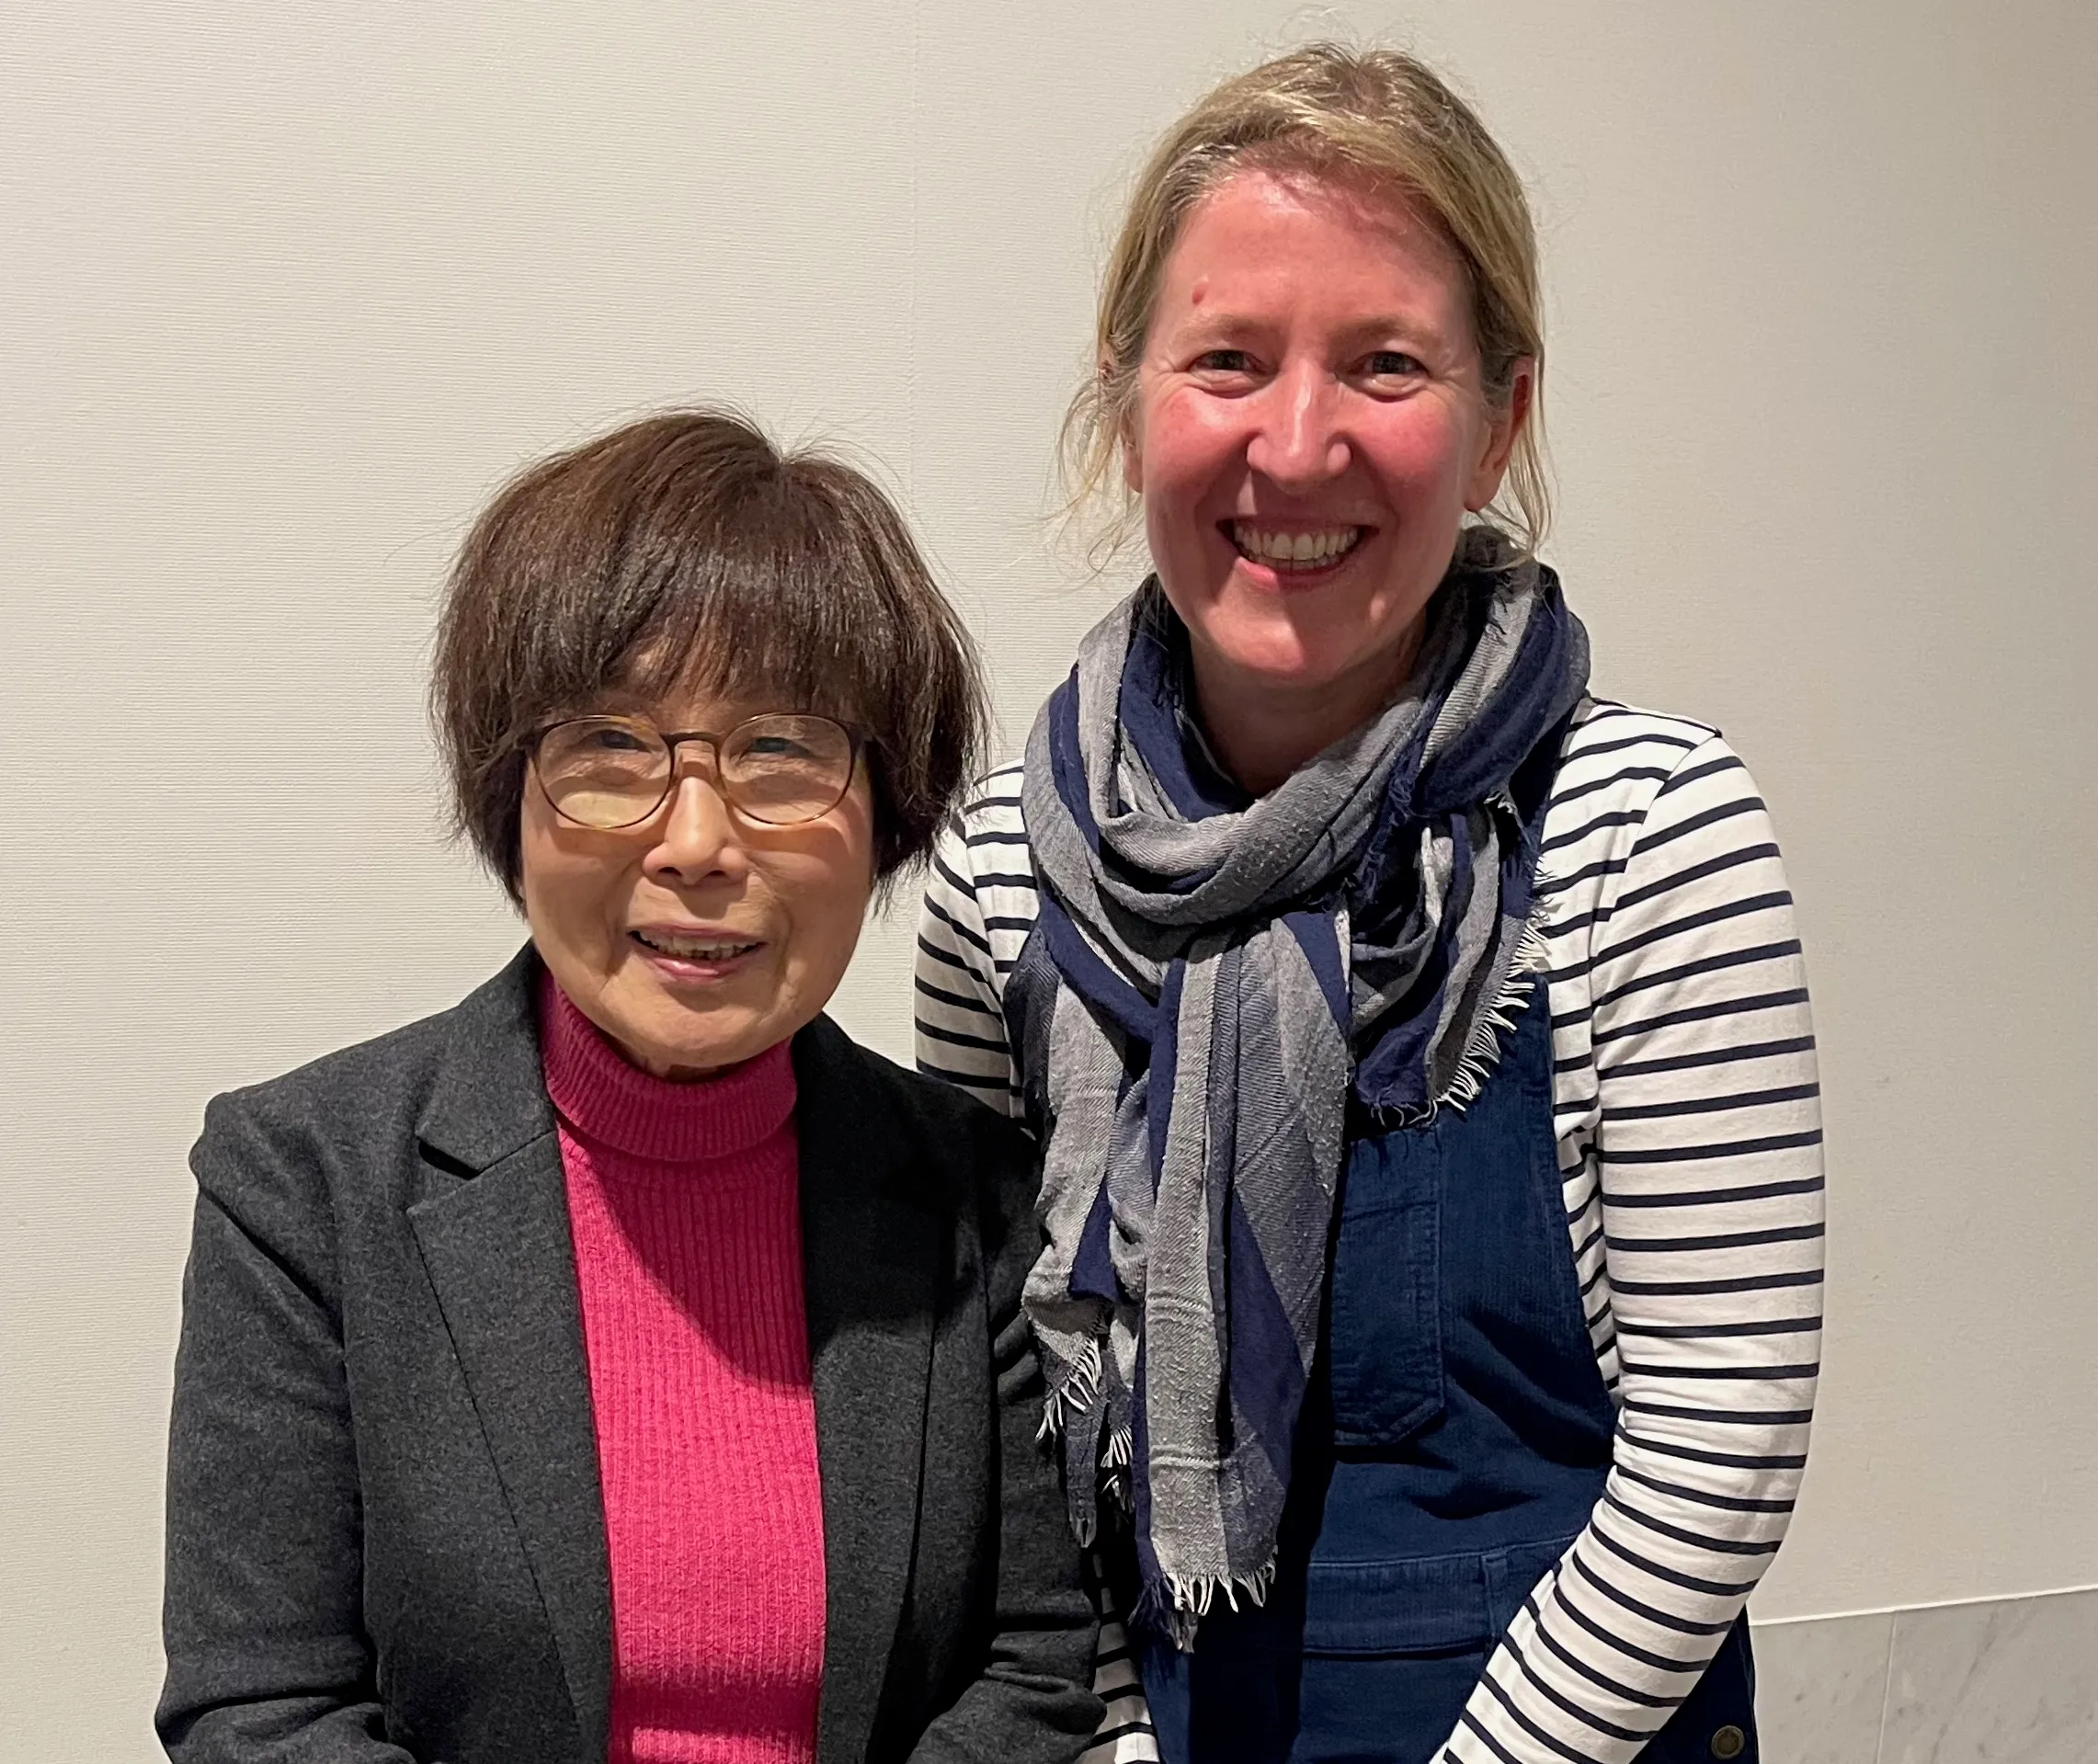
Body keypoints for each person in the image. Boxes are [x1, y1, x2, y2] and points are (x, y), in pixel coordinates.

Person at [916, 44, 1820, 1764]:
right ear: (1128, 403)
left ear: (1504, 416)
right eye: (1228, 360)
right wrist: (1111, 1740)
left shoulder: (1648, 830)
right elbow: (1010, 1427)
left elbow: (1721, 1449)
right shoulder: (998, 874)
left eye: (1386, 363)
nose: (1299, 439)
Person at [158, 410, 1103, 1764]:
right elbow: (260, 1710)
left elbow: (1034, 1663)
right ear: (513, 794)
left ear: (888, 807)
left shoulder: (972, 1190)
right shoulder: (304, 1182)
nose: (697, 840)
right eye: (611, 746)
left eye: (783, 751)